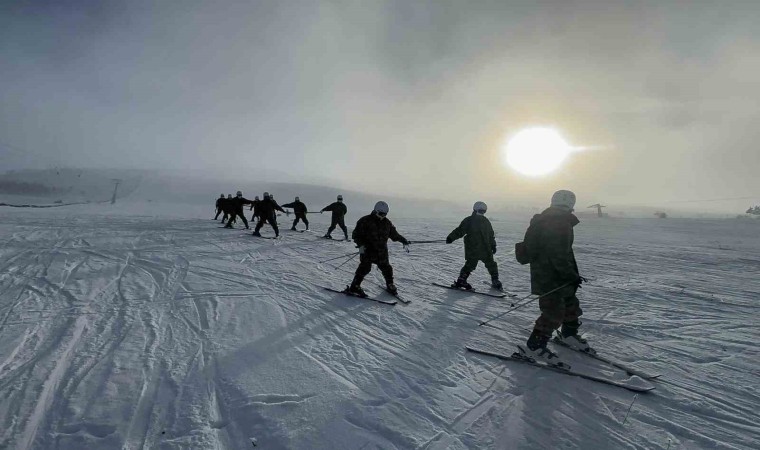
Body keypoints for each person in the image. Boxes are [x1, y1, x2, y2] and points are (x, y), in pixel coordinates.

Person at [521, 190, 587, 365]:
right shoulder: (559, 222)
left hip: (549, 273)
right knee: (553, 311)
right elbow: (558, 254)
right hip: (551, 275)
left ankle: (569, 335)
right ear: (571, 204)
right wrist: (571, 275)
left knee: (571, 303)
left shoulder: (547, 219)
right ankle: (535, 345)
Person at [346, 201, 410, 297]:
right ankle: (355, 286)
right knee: (365, 268)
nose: (383, 216)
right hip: (367, 250)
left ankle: (390, 284)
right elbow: (356, 235)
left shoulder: (387, 223)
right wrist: (361, 245)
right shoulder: (365, 221)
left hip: (382, 251)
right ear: (376, 211)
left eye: (385, 214)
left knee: (387, 268)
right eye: (381, 214)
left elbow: (394, 235)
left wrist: (403, 240)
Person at [446, 201, 502, 290]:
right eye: (480, 210)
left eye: (484, 211)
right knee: (470, 264)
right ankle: (461, 280)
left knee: (491, 264)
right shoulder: (469, 220)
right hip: (473, 248)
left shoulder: (486, 221)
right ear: (475, 210)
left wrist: (493, 245)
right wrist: (451, 238)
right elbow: (460, 231)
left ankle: (495, 280)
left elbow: (490, 235)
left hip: (485, 248)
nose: (482, 213)